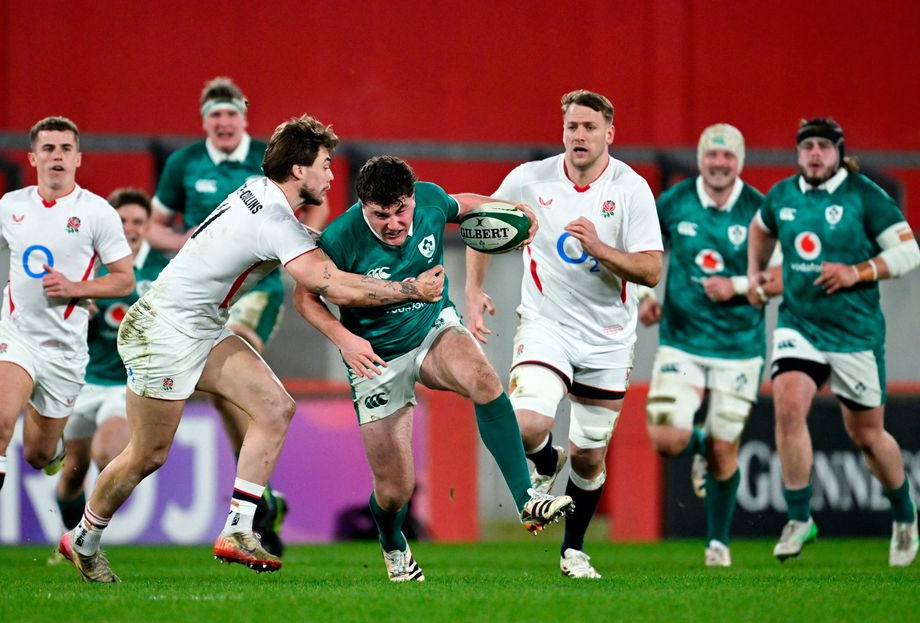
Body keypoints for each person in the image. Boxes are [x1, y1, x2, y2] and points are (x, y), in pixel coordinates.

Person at [58, 115, 446, 583]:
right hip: (162, 330)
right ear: (299, 170)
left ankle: (239, 528)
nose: (330, 174)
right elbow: (333, 286)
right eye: (324, 164)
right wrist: (410, 289)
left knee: (275, 406)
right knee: (147, 453)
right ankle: (83, 538)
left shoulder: (259, 194)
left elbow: (311, 255)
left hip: (200, 326)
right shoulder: (275, 220)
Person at [293, 155, 574, 583]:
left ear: (412, 197)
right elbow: (305, 297)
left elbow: (462, 206)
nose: (393, 223)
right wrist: (345, 340)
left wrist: (514, 214)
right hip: (377, 358)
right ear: (363, 206)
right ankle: (392, 544)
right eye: (380, 215)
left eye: (400, 209)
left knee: (484, 378)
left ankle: (526, 497)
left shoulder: (428, 200)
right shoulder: (340, 238)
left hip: (431, 328)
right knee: (395, 491)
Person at [466, 90, 663, 580]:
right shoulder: (531, 178)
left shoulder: (631, 189)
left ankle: (573, 551)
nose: (579, 135)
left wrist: (600, 247)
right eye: (572, 127)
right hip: (545, 324)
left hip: (608, 337)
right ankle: (543, 457)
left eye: (589, 127)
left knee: (590, 456)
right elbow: (481, 222)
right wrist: (473, 288)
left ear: (609, 134)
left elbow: (652, 269)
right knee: (527, 424)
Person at [0, 116, 134, 569]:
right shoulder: (10, 207)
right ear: (33, 157)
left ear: (78, 158)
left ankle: (52, 450)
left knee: (38, 455)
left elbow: (123, 281)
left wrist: (77, 287)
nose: (57, 156)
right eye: (48, 148)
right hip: (15, 336)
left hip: (65, 353)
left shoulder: (98, 212)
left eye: (65, 148)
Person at [148, 77, 311, 554]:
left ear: (244, 117)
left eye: (231, 113)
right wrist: (198, 248)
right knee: (226, 395)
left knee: (232, 364)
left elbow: (304, 214)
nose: (224, 122)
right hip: (204, 290)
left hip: (254, 292)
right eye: (215, 114)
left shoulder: (267, 160)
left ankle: (251, 504)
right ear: (204, 121)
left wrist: (300, 249)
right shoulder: (183, 163)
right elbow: (155, 229)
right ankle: (260, 497)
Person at [748, 117, 920, 567]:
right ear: (798, 153)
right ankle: (800, 517)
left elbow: (909, 252)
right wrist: (756, 272)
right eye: (808, 147)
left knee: (866, 435)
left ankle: (905, 514)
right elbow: (761, 227)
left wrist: (856, 272)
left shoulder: (865, 195)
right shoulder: (783, 195)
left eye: (825, 146)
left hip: (854, 332)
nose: (815, 154)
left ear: (839, 152)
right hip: (798, 325)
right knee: (787, 405)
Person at [639, 124, 781, 567]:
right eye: (712, 155)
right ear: (700, 158)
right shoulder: (675, 202)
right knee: (666, 438)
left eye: (728, 156)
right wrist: (645, 296)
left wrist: (738, 285)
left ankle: (717, 543)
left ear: (740, 161)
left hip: (740, 348)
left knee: (725, 452)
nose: (719, 164)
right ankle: (697, 445)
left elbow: (783, 278)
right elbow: (639, 250)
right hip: (681, 341)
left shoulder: (761, 210)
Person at [52, 188, 168, 547]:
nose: (130, 228)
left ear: (148, 226)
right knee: (71, 476)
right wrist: (75, 314)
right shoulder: (89, 265)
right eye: (122, 221)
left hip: (127, 383)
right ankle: (71, 538)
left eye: (138, 221)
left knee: (107, 452)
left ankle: (89, 535)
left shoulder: (163, 270)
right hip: (85, 382)